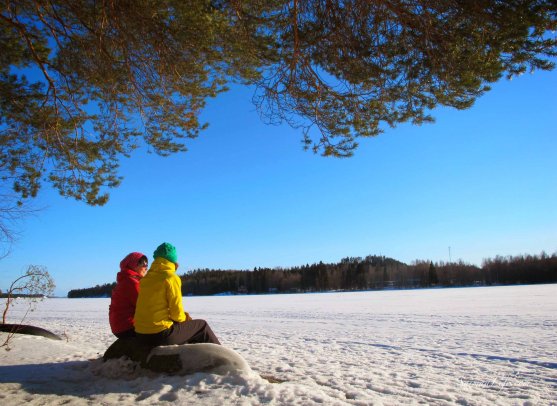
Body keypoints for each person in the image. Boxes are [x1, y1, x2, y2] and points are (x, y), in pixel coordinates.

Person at [134, 242, 221, 346]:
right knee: (202, 326)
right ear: (173, 260)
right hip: (160, 335)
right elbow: (177, 315)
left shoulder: (145, 279)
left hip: (141, 335)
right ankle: (225, 359)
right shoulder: (171, 278)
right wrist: (186, 318)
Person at [109, 252, 149, 338]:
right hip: (128, 327)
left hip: (119, 327)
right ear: (133, 265)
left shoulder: (125, 280)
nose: (146, 268)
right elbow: (146, 306)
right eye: (144, 264)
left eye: (147, 264)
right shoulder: (132, 282)